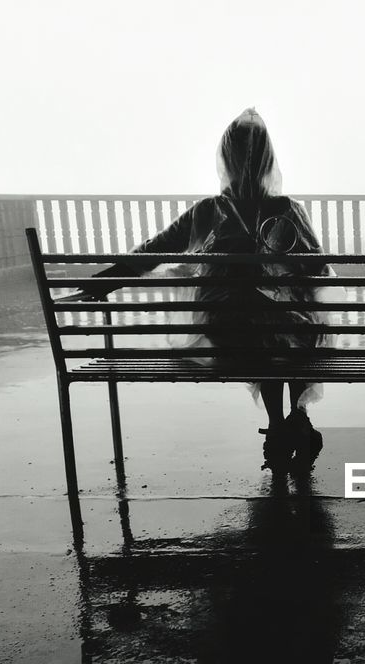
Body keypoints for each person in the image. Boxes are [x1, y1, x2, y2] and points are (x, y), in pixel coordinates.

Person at [82, 107, 341, 473]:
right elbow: (316, 268)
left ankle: (276, 424)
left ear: (226, 160)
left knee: (259, 329)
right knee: (293, 322)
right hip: (277, 335)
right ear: (269, 160)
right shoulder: (286, 210)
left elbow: (153, 251)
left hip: (227, 334)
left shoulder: (207, 211)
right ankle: (297, 414)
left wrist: (106, 279)